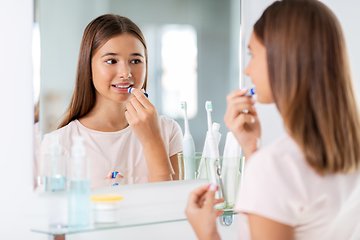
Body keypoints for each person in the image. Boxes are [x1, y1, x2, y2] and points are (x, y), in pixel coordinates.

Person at [185, 0, 360, 239]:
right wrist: (251, 149)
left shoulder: (275, 166)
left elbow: (278, 177)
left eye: (252, 54)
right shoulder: (349, 150)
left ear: (283, 60)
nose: (247, 71)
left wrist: (207, 233)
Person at [40, 14, 183, 188]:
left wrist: (152, 141)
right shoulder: (59, 144)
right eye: (111, 61)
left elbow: (173, 208)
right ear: (88, 68)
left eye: (136, 60)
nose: (126, 72)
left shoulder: (168, 131)